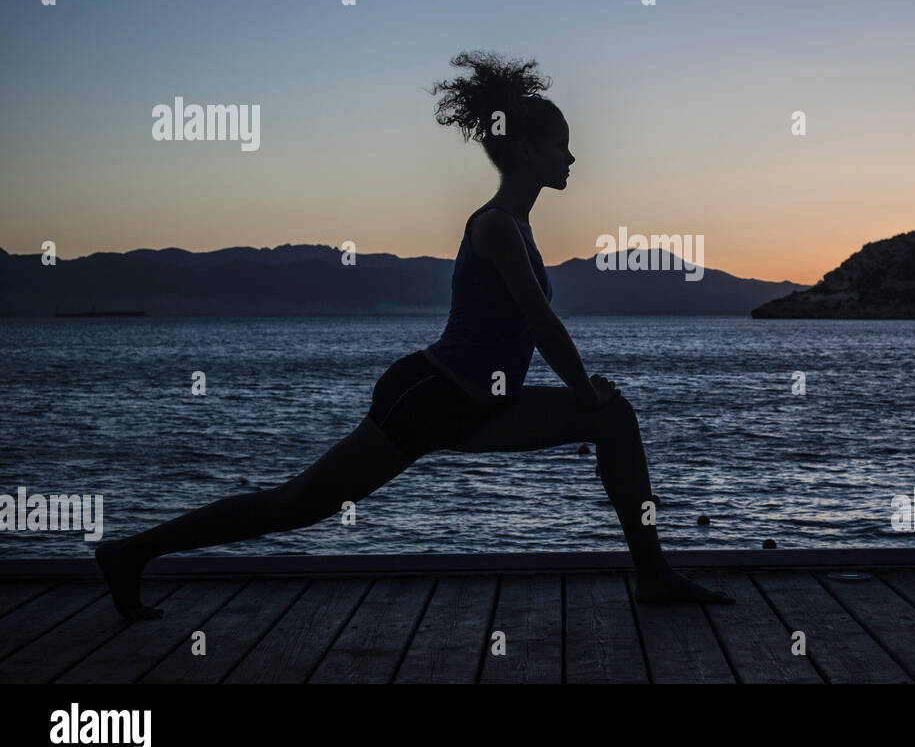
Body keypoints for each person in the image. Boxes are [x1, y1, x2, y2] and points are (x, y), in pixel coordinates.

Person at [96, 50, 733, 619]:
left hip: (483, 404)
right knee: (290, 507)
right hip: (431, 399)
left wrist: (591, 399)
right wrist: (582, 389)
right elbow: (541, 323)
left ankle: (652, 576)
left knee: (614, 420)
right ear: (527, 151)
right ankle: (131, 553)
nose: (572, 156)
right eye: (562, 144)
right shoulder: (496, 227)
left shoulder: (516, 225)